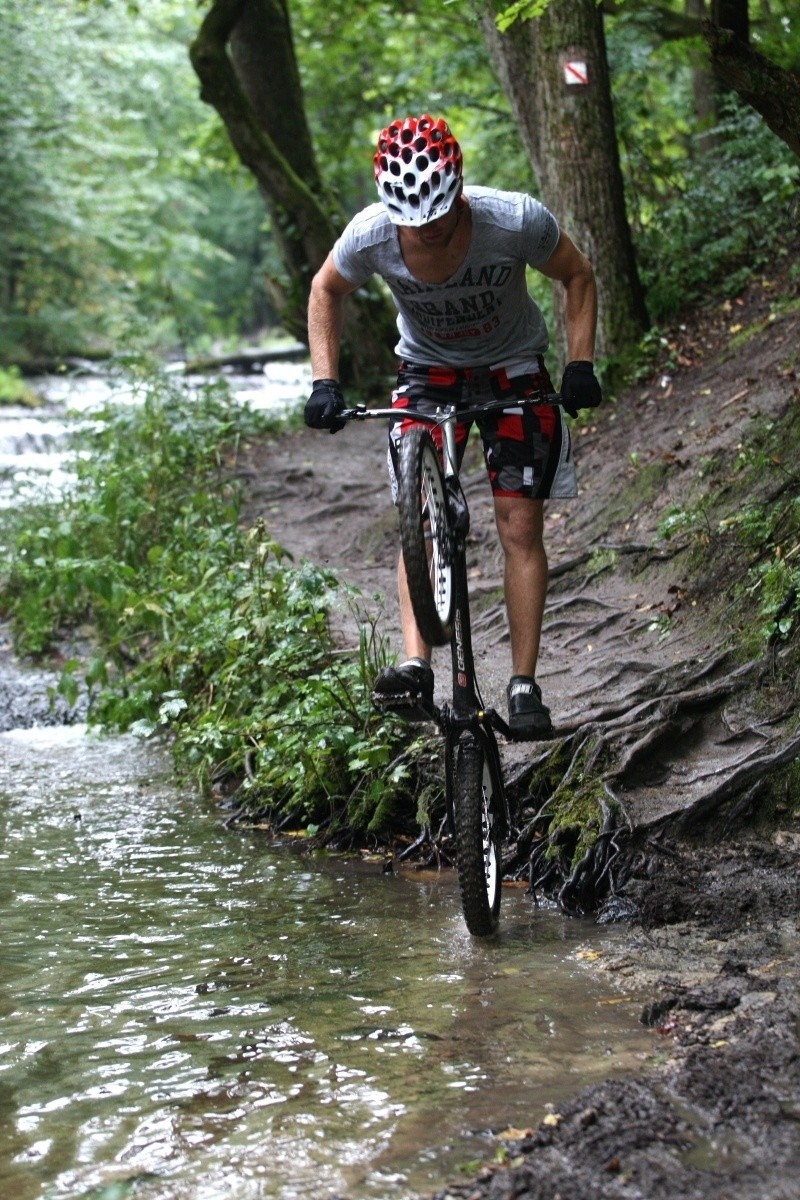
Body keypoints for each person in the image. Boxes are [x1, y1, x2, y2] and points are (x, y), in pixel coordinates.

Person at [304, 114, 601, 738]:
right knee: (417, 510)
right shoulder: (371, 234)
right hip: (425, 371)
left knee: (519, 524)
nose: (426, 233)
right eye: (412, 223)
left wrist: (579, 364)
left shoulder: (514, 220)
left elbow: (576, 273)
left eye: (436, 219)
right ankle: (416, 662)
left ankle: (523, 685)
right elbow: (324, 290)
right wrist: (324, 381)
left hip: (513, 369)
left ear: (459, 189)